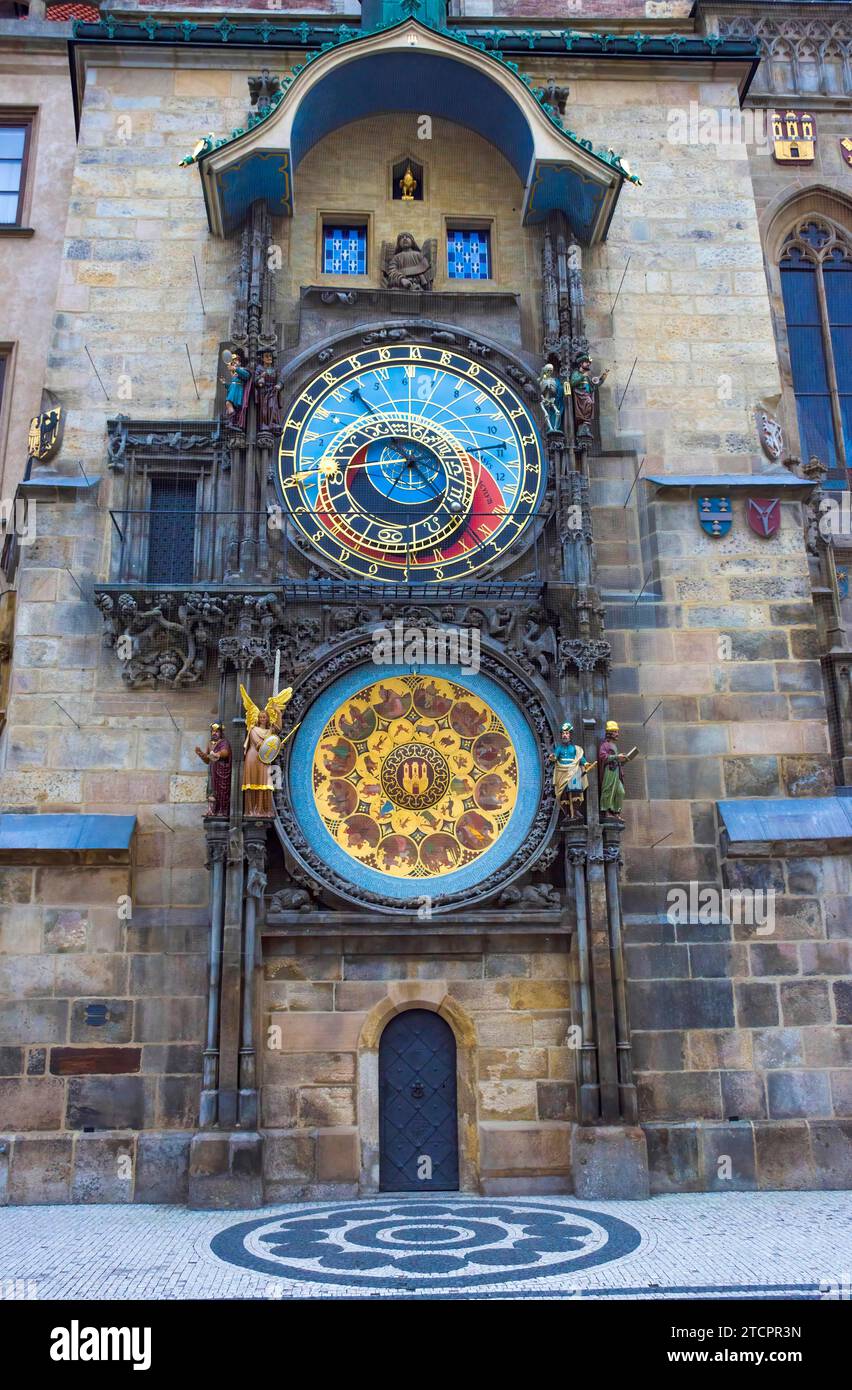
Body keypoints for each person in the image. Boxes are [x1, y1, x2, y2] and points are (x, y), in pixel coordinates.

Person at [550, 721, 588, 820]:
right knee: (563, 794)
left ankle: (575, 812)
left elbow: (580, 758)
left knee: (575, 792)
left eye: (566, 733)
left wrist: (586, 764)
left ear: (570, 735)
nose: (565, 735)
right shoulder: (559, 749)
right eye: (563, 733)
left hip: (574, 771)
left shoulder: (575, 749)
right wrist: (553, 757)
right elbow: (555, 757)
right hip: (562, 772)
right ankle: (567, 813)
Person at [195, 723, 232, 818]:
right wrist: (201, 754)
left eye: (217, 731)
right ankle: (211, 810)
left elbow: (225, 752)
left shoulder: (224, 742)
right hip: (212, 770)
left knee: (222, 791)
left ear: (221, 732)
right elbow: (207, 760)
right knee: (211, 791)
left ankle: (222, 810)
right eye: (213, 731)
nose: (214, 733)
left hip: (222, 771)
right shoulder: (209, 744)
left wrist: (218, 754)